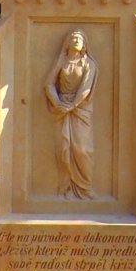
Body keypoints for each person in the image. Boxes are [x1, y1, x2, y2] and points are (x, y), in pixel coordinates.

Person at [44, 28, 98, 198]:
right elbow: (48, 84)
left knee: (82, 149)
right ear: (67, 43)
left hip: (80, 109)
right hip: (61, 109)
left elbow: (86, 89)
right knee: (63, 149)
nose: (76, 40)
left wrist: (72, 105)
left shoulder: (89, 64)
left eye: (79, 38)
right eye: (73, 38)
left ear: (84, 44)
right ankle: (65, 187)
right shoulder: (62, 61)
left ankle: (85, 187)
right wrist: (58, 103)